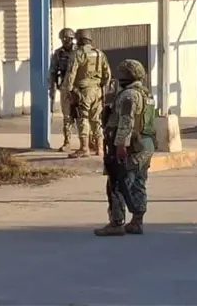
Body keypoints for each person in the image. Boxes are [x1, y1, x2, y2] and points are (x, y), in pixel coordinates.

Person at [95, 59, 156, 237]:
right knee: (138, 182)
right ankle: (137, 221)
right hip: (146, 144)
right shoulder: (146, 94)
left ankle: (116, 222)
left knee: (117, 182)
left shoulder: (129, 96)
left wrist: (121, 144)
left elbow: (127, 121)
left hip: (132, 145)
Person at [61, 29, 111, 158]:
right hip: (98, 91)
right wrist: (102, 86)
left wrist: (69, 90)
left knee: (83, 118)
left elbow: (71, 73)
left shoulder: (78, 53)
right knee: (96, 119)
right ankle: (99, 149)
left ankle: (84, 148)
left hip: (83, 91)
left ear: (79, 40)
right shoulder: (99, 53)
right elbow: (108, 74)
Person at [48, 28, 77, 152]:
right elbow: (53, 71)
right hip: (65, 88)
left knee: (83, 117)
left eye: (68, 39)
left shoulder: (80, 51)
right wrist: (52, 88)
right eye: (63, 39)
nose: (66, 41)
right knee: (67, 117)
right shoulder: (58, 53)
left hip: (79, 88)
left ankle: (87, 142)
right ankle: (67, 142)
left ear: (72, 39)